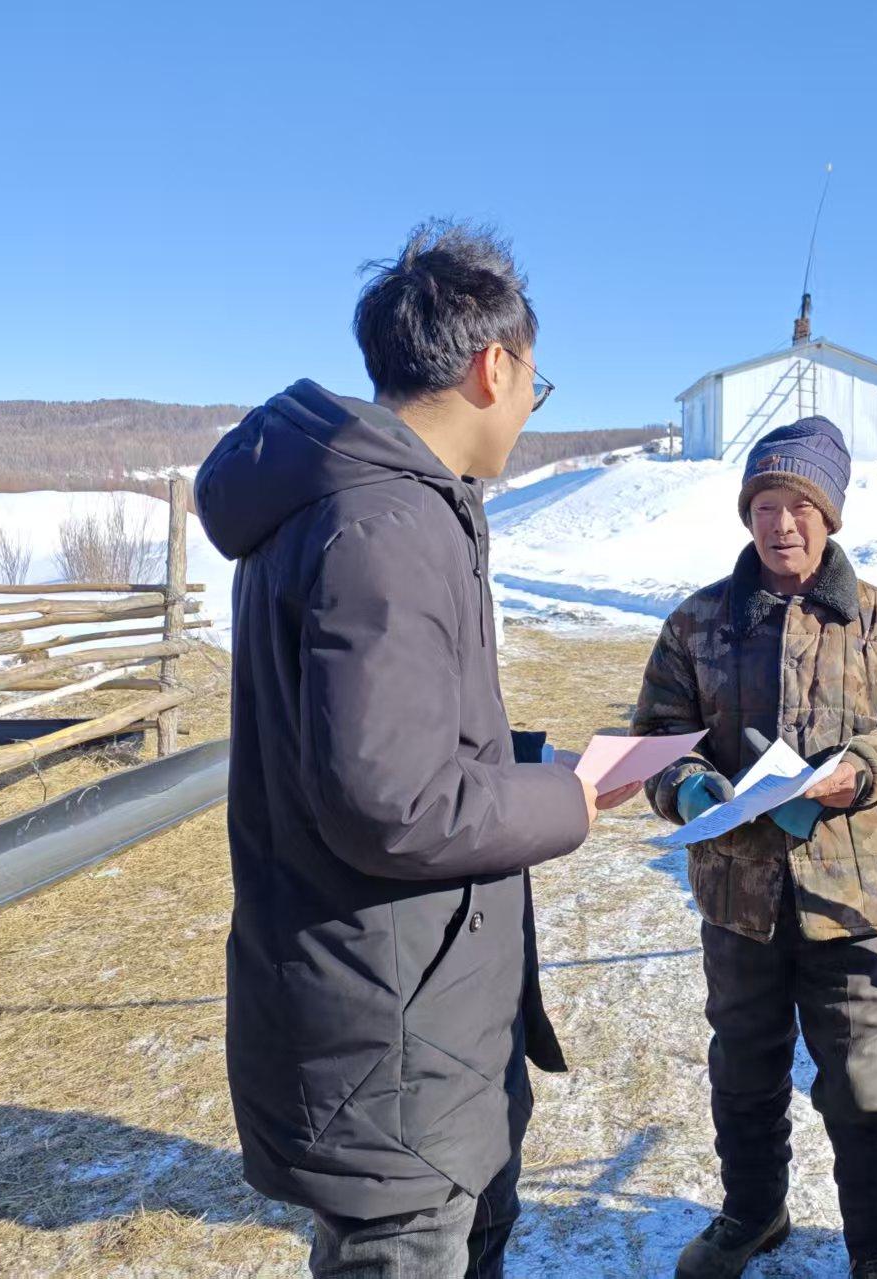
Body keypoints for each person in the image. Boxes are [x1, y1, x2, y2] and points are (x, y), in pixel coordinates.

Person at [195, 220, 639, 1277]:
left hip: (418, 1015)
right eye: (535, 383)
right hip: (388, 1034)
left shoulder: (375, 503)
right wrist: (568, 801)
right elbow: (391, 800)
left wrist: (531, 762)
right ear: (494, 367)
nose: (529, 408)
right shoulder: (384, 524)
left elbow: (381, 735)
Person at [632, 417, 877, 1279]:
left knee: (862, 1083)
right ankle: (753, 1211)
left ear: (831, 513)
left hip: (848, 897)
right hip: (737, 894)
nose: (781, 523)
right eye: (765, 505)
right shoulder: (697, 622)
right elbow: (658, 734)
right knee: (744, 1068)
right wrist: (688, 785)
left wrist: (863, 767)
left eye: (800, 505)